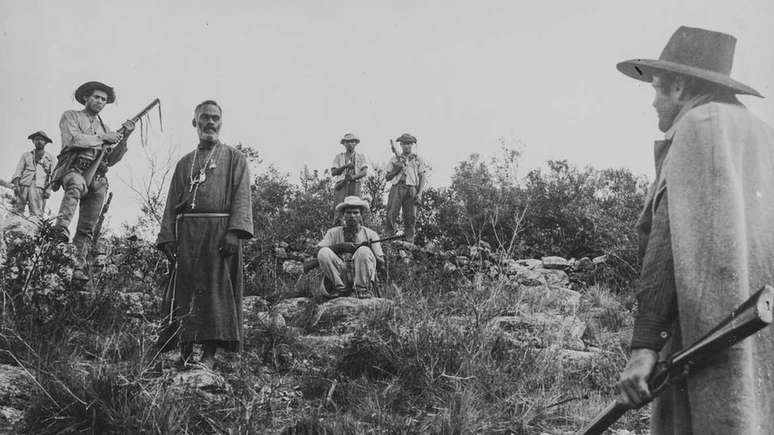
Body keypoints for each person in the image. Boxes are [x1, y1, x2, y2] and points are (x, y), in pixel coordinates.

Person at [615, 26, 774, 434]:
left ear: (680, 86)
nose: (652, 101)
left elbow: (668, 245)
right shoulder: (762, 136)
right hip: (760, 346)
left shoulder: (698, 129)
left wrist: (644, 346)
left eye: (656, 88)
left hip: (703, 344)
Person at [156, 100, 253, 370]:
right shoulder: (184, 163)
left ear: (221, 123)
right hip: (187, 234)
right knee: (185, 290)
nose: (210, 123)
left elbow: (242, 198)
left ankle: (209, 356)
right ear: (195, 122)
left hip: (219, 234)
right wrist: (168, 237)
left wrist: (235, 232)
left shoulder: (235, 158)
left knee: (214, 292)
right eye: (205, 118)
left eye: (215, 118)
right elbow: (171, 202)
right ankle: (185, 352)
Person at [52, 81, 135, 281]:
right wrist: (104, 137)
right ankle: (59, 231)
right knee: (75, 186)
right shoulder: (71, 116)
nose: (100, 101)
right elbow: (74, 140)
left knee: (88, 226)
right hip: (75, 169)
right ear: (86, 97)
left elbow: (111, 160)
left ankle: (78, 266)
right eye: (96, 97)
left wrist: (123, 138)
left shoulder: (105, 126)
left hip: (98, 176)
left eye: (104, 100)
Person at [316, 195, 384, 299]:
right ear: (343, 214)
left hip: (362, 274)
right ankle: (339, 289)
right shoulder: (333, 232)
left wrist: (369, 250)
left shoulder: (371, 234)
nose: (352, 216)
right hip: (341, 273)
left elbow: (381, 263)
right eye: (348, 212)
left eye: (356, 212)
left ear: (361, 215)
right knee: (324, 253)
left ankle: (361, 291)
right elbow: (318, 251)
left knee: (364, 251)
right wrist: (340, 247)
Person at [384, 133, 426, 243]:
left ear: (412, 145)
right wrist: (397, 169)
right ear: (401, 145)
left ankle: (409, 241)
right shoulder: (394, 159)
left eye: (409, 144)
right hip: (397, 187)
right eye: (404, 144)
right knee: (391, 213)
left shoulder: (418, 160)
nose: (407, 146)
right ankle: (389, 238)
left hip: (411, 188)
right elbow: (387, 177)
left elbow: (422, 177)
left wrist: (420, 193)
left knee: (411, 216)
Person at [11, 131, 55, 217]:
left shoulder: (50, 158)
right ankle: (13, 229)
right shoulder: (26, 155)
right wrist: (16, 186)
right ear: (33, 141)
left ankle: (34, 229)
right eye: (37, 139)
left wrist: (48, 190)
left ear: (45, 142)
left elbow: (54, 176)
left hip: (39, 187)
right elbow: (18, 171)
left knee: (36, 213)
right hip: (23, 185)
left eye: (42, 140)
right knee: (17, 210)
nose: (39, 141)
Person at [331, 133, 368, 223]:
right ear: (344, 143)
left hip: (355, 184)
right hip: (341, 184)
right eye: (347, 142)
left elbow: (364, 172)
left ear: (355, 143)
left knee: (356, 207)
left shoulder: (360, 156)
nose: (350, 144)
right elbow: (334, 172)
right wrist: (345, 166)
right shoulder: (339, 157)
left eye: (352, 141)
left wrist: (353, 177)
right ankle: (337, 230)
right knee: (339, 209)